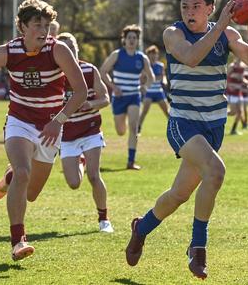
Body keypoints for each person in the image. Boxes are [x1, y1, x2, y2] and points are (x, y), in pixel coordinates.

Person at [125, 0, 248, 279]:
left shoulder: (227, 33)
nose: (189, 12)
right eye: (185, 7)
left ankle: (142, 227)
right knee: (216, 171)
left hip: (213, 125)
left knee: (178, 195)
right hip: (182, 122)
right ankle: (198, 247)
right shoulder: (173, 34)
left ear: (210, 9)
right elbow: (191, 57)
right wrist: (223, 26)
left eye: (196, 6)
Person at [0, 0, 87, 261]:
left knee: (31, 193)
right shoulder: (6, 52)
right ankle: (18, 241)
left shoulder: (58, 51)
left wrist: (58, 120)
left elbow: (80, 91)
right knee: (24, 172)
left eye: (47, 25)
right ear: (22, 27)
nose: (44, 31)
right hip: (19, 122)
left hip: (50, 127)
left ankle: (8, 178)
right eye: (37, 25)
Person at [56, 32, 114, 233]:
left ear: (76, 49)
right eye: (64, 48)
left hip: (90, 130)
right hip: (67, 135)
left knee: (94, 176)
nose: (68, 52)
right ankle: (80, 161)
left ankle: (104, 219)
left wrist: (91, 103)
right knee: (73, 183)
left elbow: (105, 98)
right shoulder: (53, 75)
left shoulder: (89, 70)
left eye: (71, 48)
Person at [99, 25, 154, 170]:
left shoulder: (142, 58)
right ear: (124, 39)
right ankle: (121, 130)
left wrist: (145, 87)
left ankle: (131, 161)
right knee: (120, 131)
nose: (131, 40)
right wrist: (113, 87)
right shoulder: (117, 54)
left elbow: (151, 77)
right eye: (129, 37)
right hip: (119, 98)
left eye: (134, 38)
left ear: (137, 41)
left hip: (134, 96)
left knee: (134, 127)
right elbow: (103, 71)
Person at [138, 45, 169, 134]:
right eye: (151, 54)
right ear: (148, 56)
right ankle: (138, 128)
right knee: (144, 111)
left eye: (155, 54)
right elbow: (141, 79)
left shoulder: (160, 65)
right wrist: (142, 85)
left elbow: (163, 77)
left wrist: (165, 82)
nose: (153, 56)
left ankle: (173, 126)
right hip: (149, 91)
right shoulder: (145, 67)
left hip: (159, 91)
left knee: (167, 111)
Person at [226, 56, 247, 135]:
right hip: (232, 92)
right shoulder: (232, 66)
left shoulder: (242, 66)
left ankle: (233, 130)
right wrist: (230, 86)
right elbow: (226, 77)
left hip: (239, 92)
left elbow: (241, 78)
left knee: (240, 112)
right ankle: (220, 113)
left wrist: (247, 82)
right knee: (233, 112)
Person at [239, 64, 248, 130]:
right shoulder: (239, 72)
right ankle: (243, 123)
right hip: (240, 93)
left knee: (246, 110)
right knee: (240, 110)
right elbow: (240, 81)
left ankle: (246, 123)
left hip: (246, 93)